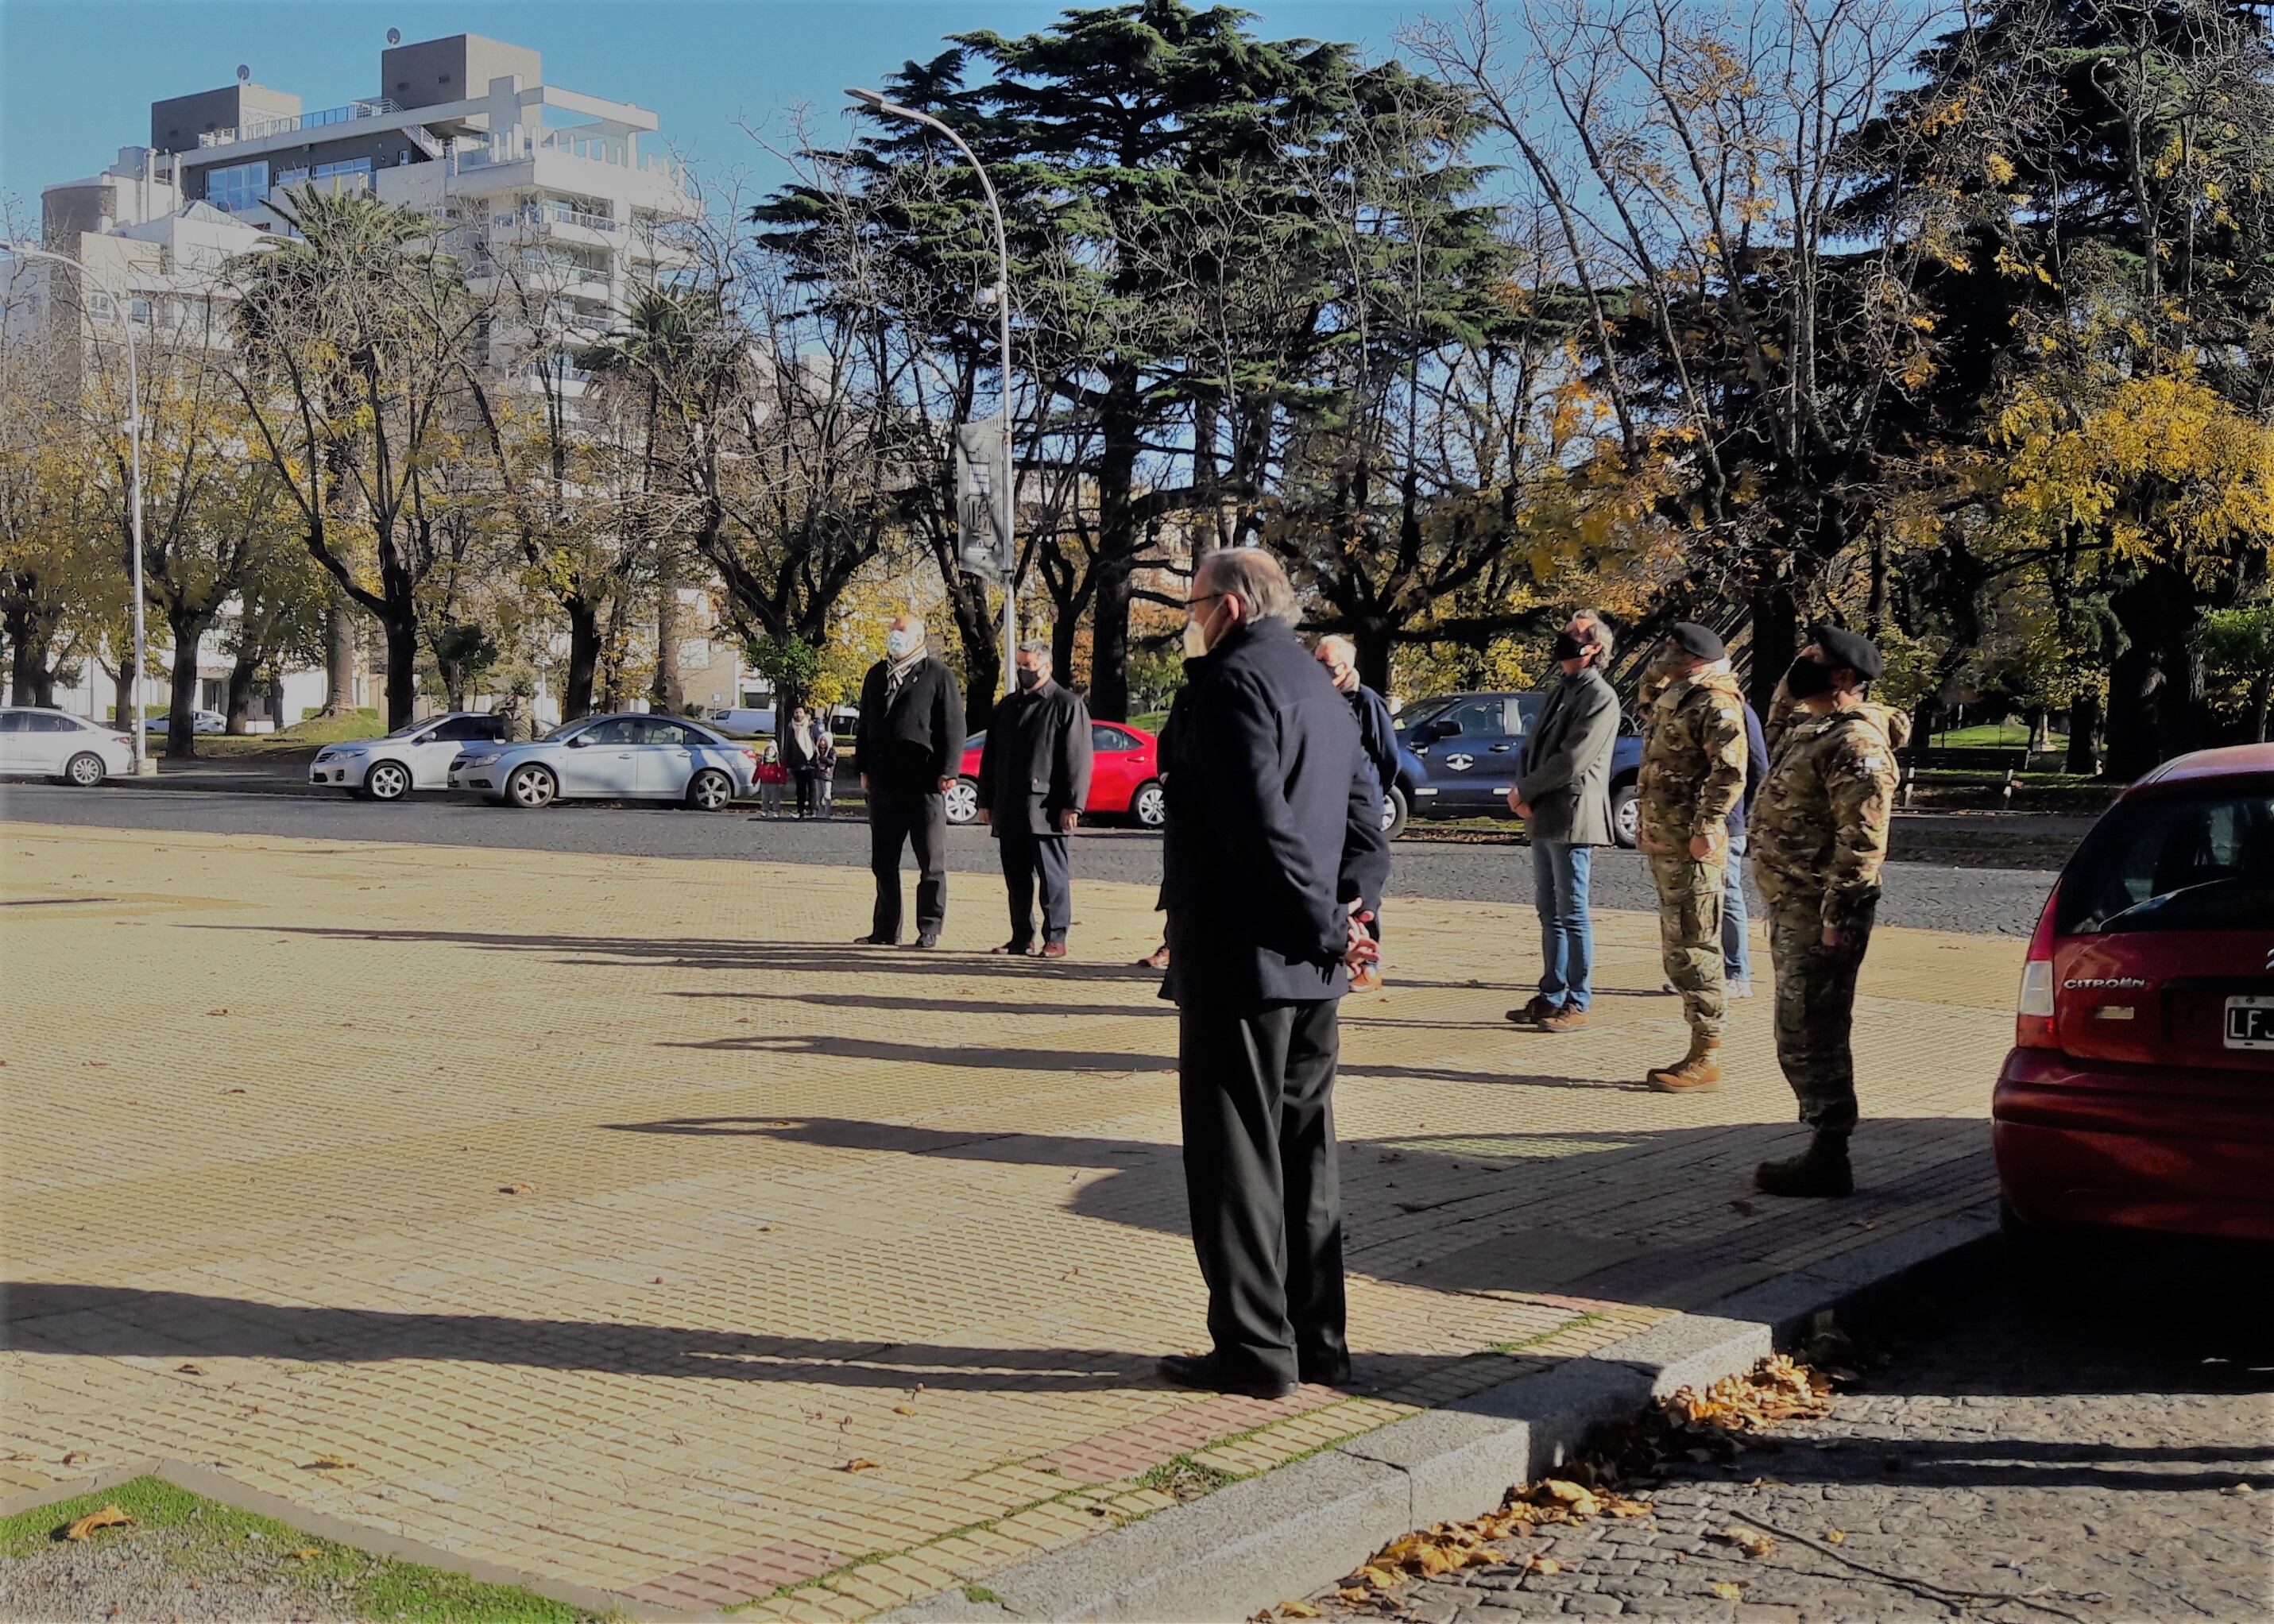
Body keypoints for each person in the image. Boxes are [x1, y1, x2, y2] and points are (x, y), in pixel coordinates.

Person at [1155, 549, 1390, 1401]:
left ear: (1234, 604)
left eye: (1197, 603)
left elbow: (1262, 830)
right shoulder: (1324, 693)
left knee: (1236, 1163)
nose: (1192, 616)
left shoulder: (1230, 685)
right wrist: (1354, 914)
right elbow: (1366, 824)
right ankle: (1317, 1340)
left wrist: (1332, 922)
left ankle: (1256, 1348)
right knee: (1304, 1153)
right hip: (1312, 967)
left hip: (1245, 958)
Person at [1749, 624, 1902, 1197]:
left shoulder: (1856, 745)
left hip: (1822, 913)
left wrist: (1840, 917)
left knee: (1813, 1030)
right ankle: (1824, 1141)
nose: (1801, 663)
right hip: (1794, 905)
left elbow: (1862, 843)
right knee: (1799, 1028)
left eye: (1813, 658)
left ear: (1844, 677)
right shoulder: (1813, 728)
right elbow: (1780, 708)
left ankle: (1829, 1151)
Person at [1634, 621, 1749, 1093]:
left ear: (1692, 656)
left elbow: (1730, 771)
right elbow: (1645, 702)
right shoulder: (1679, 695)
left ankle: (1707, 1053)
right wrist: (1655, 671)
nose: (1661, 654)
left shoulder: (1717, 703)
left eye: (1669, 649)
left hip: (1693, 845)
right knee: (1679, 947)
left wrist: (1707, 826)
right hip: (1668, 840)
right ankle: (1699, 1047)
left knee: (1697, 945)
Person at [1505, 611, 1621, 1033]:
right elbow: (1533, 748)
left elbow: (1572, 760)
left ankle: (1577, 999)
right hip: (1542, 813)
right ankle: (1550, 994)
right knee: (1548, 910)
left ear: (1594, 649)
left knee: (1572, 912)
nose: (1565, 639)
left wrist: (1525, 792)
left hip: (1571, 815)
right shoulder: (1564, 689)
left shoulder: (1599, 696)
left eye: (1575, 634)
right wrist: (1522, 790)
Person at [854, 614, 965, 948]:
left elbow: (953, 725)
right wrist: (864, 768)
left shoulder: (938, 675)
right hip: (885, 783)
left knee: (930, 860)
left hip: (923, 783)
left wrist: (949, 770)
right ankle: (886, 929)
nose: (894, 637)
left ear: (918, 638)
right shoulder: (876, 675)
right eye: (892, 631)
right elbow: (865, 725)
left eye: (900, 632)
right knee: (883, 861)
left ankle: (929, 926)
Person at [978, 642, 1094, 958]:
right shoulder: (1007, 706)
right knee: (1016, 879)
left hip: (1047, 808)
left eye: (1029, 667)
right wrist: (985, 799)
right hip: (1010, 805)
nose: (1024, 672)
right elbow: (991, 757)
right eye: (1020, 666)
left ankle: (1056, 937)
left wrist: (1073, 804)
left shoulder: (1067, 704)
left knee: (1052, 877)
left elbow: (1077, 759)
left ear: (1047, 666)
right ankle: (1021, 936)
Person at [1313, 634, 1396, 992]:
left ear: (1345, 667)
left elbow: (1387, 757)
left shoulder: (1366, 702)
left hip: (1361, 809)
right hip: (1327, 807)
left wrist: (1370, 794)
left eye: (1325, 663)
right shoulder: (1316, 701)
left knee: (1363, 885)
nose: (1317, 668)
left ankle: (1369, 962)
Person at [1718, 696, 1771, 998]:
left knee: (1727, 896)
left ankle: (1737, 972)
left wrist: (1742, 812)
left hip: (1727, 822)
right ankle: (1700, 971)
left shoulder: (1738, 709)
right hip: (1689, 824)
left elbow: (1759, 768)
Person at [783, 705, 835, 819]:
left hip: (812, 763)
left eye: (800, 712)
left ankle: (813, 810)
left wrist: (822, 758)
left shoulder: (812, 727)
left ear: (804, 714)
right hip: (797, 763)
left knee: (813, 789)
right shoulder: (791, 728)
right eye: (796, 712)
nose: (798, 714)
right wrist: (788, 764)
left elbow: (820, 742)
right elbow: (788, 746)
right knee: (800, 789)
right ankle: (800, 811)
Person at [494, 679, 536, 743]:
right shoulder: (505, 711)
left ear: (524, 699)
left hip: (523, 744)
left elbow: (538, 731)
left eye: (519, 696)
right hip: (507, 744)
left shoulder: (530, 712)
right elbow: (492, 713)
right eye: (515, 696)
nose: (516, 699)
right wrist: (504, 702)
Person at [756, 739, 787, 816]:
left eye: (772, 751)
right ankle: (765, 810)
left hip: (774, 782)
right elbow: (758, 771)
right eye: (768, 751)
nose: (770, 752)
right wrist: (755, 780)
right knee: (764, 798)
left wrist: (783, 781)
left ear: (775, 752)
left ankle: (776, 811)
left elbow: (782, 772)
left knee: (775, 798)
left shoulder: (778, 762)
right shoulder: (763, 761)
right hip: (764, 782)